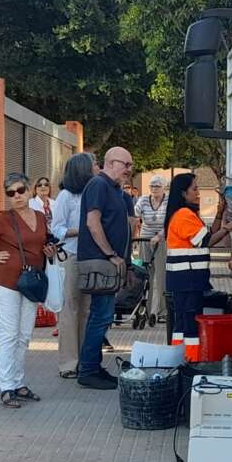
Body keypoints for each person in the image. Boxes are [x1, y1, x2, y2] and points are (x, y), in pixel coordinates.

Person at [0, 173, 57, 408]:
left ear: (29, 189)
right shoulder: (2, 218)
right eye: (10, 193)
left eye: (20, 190)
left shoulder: (39, 216)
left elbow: (44, 242)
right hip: (3, 280)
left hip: (30, 281)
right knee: (9, 333)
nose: (17, 196)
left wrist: (49, 250)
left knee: (24, 334)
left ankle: (18, 382)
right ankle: (7, 387)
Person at [76, 146, 136, 389]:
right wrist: (110, 253)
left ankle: (92, 366)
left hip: (107, 262)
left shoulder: (114, 190)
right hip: (100, 262)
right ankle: (89, 369)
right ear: (110, 163)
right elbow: (93, 222)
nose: (129, 170)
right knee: (100, 315)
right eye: (126, 165)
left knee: (102, 315)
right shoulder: (99, 185)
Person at [164, 173, 232, 341]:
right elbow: (207, 241)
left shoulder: (187, 214)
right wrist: (229, 228)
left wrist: (219, 214)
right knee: (189, 325)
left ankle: (181, 355)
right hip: (187, 281)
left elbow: (208, 235)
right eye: (195, 188)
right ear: (184, 193)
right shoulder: (184, 215)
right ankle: (188, 358)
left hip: (187, 281)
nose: (198, 192)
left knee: (183, 324)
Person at [51, 152, 97, 378]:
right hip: (71, 256)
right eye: (93, 165)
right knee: (70, 310)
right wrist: (81, 230)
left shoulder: (94, 193)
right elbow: (56, 229)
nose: (96, 168)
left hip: (92, 257)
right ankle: (68, 363)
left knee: (88, 311)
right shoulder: (66, 196)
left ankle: (85, 360)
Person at [134, 175, 168, 322]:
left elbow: (170, 222)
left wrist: (159, 236)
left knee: (161, 275)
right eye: (152, 186)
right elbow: (134, 213)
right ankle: (145, 309)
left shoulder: (168, 201)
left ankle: (161, 310)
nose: (154, 189)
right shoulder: (143, 200)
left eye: (157, 186)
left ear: (164, 187)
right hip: (145, 238)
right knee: (145, 273)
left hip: (162, 239)